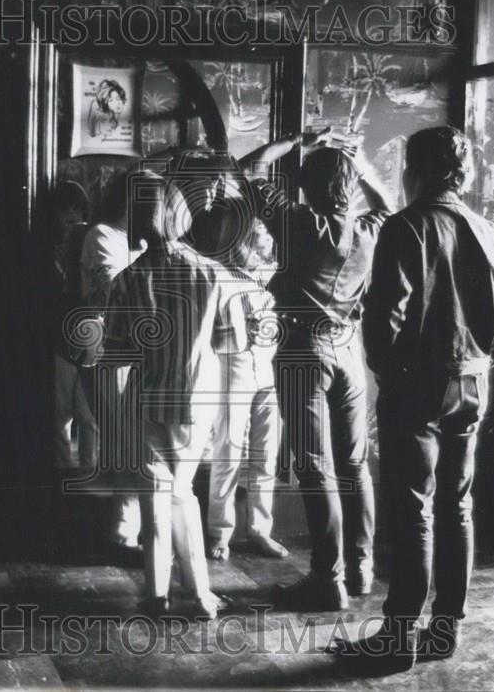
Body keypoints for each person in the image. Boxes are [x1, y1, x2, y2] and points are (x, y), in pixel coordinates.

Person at [344, 126, 494, 672]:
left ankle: (398, 637)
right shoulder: (489, 230)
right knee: (457, 507)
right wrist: (485, 356)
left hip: (418, 384)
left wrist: (390, 371)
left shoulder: (405, 228)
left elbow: (386, 316)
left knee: (412, 511)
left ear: (416, 171)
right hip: (473, 383)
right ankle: (444, 632)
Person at [238, 128, 391, 611]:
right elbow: (388, 202)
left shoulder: (299, 222)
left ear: (307, 186)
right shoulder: (370, 230)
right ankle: (360, 569)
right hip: (350, 350)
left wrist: (296, 138)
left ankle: (327, 579)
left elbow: (249, 169)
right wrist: (360, 160)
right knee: (353, 464)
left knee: (314, 466)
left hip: (304, 348)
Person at [103, 170, 235, 619]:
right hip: (197, 401)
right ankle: (198, 595)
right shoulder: (214, 274)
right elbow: (230, 343)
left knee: (155, 499)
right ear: (178, 213)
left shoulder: (126, 279)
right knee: (184, 494)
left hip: (146, 399)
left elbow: (116, 352)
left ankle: (157, 595)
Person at [197, 199, 288, 561]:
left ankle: (259, 529)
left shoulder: (271, 275)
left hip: (266, 369)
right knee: (228, 451)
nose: (266, 240)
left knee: (266, 454)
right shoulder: (217, 276)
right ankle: (220, 531)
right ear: (240, 242)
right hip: (232, 367)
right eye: (259, 236)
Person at [79, 173, 146, 551]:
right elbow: (113, 290)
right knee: (122, 440)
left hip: (142, 349)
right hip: (109, 345)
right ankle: (122, 533)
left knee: (137, 441)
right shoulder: (101, 235)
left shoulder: (143, 243)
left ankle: (131, 528)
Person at [53, 181, 98, 470]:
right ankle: (59, 472)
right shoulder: (52, 249)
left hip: (89, 332)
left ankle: (89, 472)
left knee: (88, 414)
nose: (72, 214)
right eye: (66, 209)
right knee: (59, 414)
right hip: (60, 334)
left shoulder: (90, 239)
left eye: (77, 208)